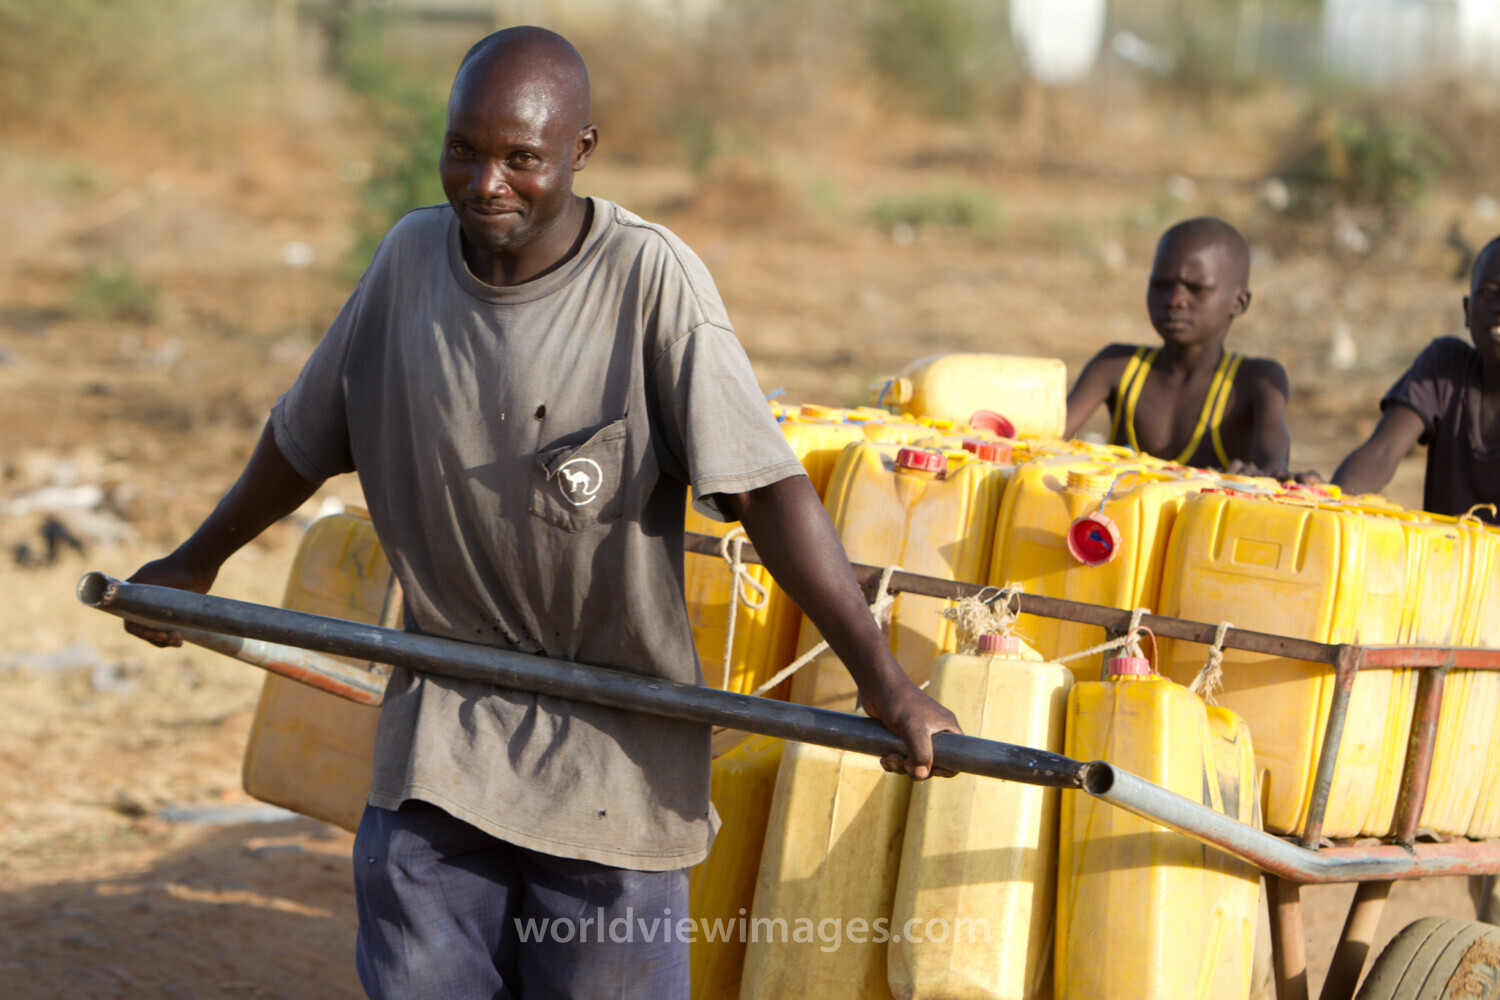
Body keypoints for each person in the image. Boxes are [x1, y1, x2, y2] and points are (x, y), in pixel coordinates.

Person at [123, 26, 959, 1000]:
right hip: (440, 737)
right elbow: (305, 437)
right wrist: (196, 562)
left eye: (522, 157)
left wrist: (885, 682)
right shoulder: (408, 264)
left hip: (612, 760)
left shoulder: (650, 281)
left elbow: (769, 492)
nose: (486, 184)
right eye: (462, 150)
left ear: (580, 152)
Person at [1064, 217, 1292, 474]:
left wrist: (1268, 477)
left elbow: (1274, 467)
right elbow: (1049, 438)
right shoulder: (1116, 366)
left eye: (1196, 288)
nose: (1174, 300)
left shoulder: (1256, 381)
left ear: (1238, 303)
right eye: (1161, 285)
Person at [1329, 235, 1500, 525]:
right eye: (1487, 293)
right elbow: (1381, 453)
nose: (1498, 306)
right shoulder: (1446, 367)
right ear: (1466, 312)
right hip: (1443, 563)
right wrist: (1329, 506)